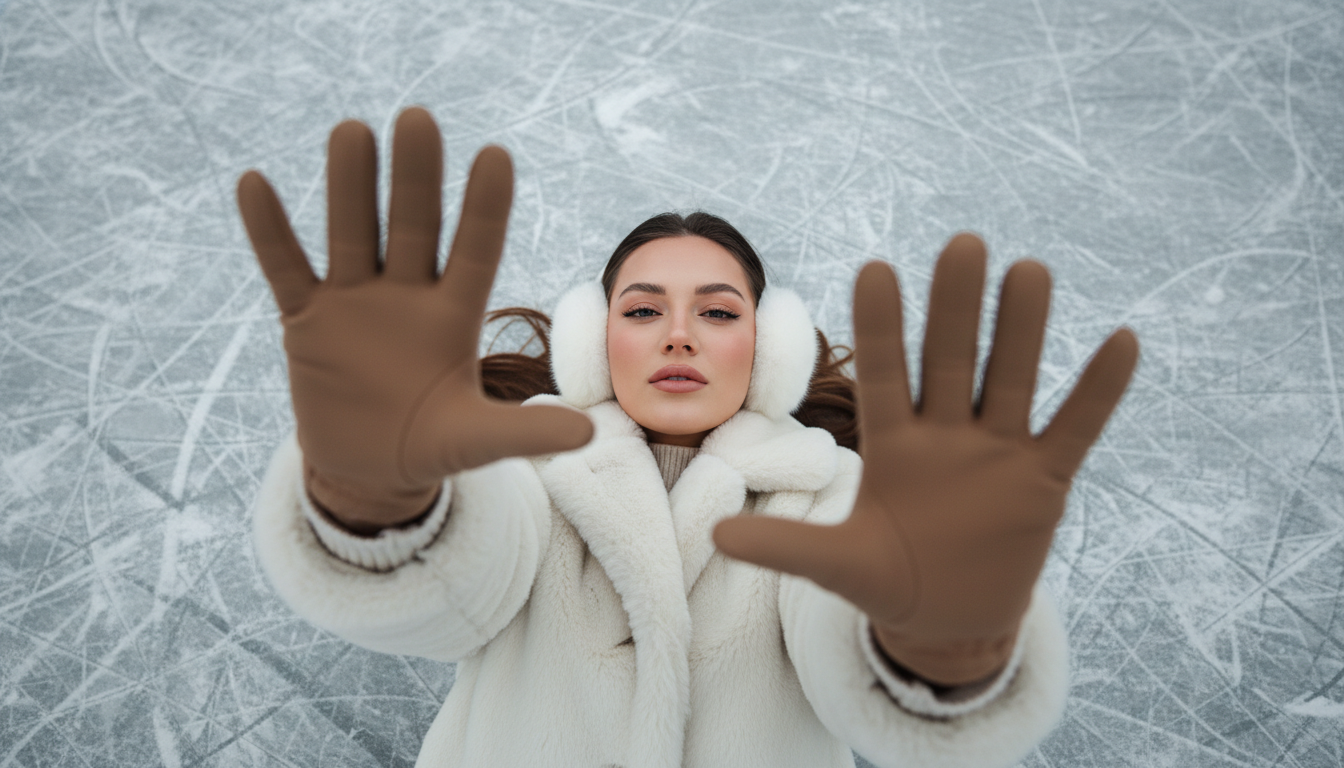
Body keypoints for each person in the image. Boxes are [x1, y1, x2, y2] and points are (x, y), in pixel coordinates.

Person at [237, 106, 1138, 768]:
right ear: (595, 338)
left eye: (716, 310)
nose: (679, 334)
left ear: (770, 345)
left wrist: (937, 646)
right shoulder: (517, 474)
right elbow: (455, 588)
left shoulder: (832, 500)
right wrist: (376, 499)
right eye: (643, 309)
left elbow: (846, 662)